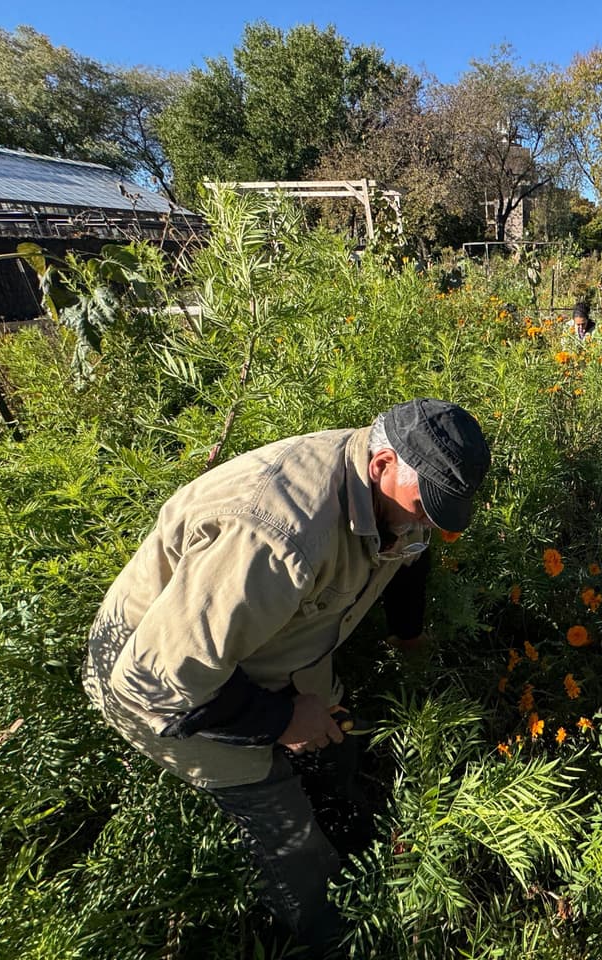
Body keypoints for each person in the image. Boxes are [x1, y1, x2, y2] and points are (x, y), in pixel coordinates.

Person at [82, 399, 491, 958]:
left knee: (337, 750)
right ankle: (335, 937)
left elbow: (407, 555)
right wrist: (280, 720)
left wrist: (410, 637)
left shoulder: (388, 496)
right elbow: (156, 680)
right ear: (382, 465)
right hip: (166, 680)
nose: (426, 524)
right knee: (290, 836)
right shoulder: (276, 535)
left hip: (264, 645)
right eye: (424, 507)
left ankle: (356, 840)